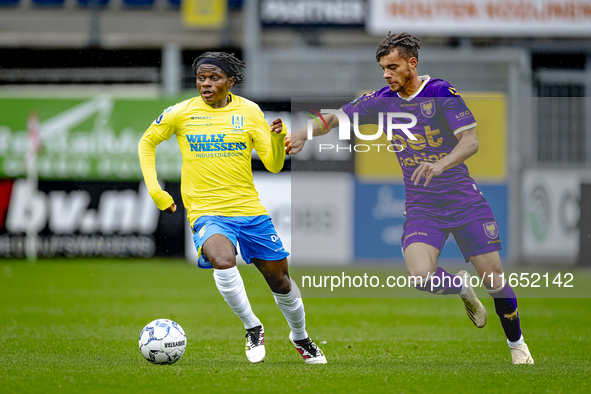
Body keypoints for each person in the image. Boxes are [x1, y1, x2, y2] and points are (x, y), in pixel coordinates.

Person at [286, 33, 533, 364]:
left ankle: (518, 347)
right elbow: (335, 118)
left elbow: (470, 141)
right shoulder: (381, 100)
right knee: (420, 276)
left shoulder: (441, 93)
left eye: (392, 67)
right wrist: (303, 132)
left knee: (495, 281)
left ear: (411, 64)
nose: (386, 75)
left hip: (465, 204)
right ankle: (461, 288)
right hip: (423, 208)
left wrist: (441, 163)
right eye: (383, 69)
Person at [138, 51, 326, 365]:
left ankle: (300, 336)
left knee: (280, 281)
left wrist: (278, 142)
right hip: (206, 210)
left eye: (214, 78)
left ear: (230, 81)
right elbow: (147, 142)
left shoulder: (250, 112)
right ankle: (253, 326)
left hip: (249, 210)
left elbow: (274, 165)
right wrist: (156, 191)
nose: (206, 84)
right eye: (201, 78)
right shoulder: (181, 112)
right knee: (222, 260)